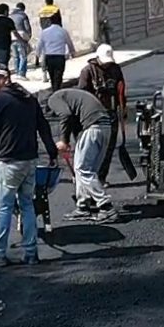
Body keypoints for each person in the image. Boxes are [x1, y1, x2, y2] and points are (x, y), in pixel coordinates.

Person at [0, 66, 58, 267]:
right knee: (27, 205)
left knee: (4, 207)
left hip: (10, 161)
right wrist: (52, 153)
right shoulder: (29, 98)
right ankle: (31, 253)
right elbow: (43, 125)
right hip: (30, 161)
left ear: (3, 79)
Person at [41, 85, 116, 223]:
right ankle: (83, 206)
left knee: (83, 169)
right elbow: (74, 121)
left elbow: (66, 115)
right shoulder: (71, 96)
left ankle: (106, 206)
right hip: (105, 127)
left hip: (93, 127)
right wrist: (71, 143)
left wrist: (63, 141)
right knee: (87, 169)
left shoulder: (53, 99)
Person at [76, 43, 128, 184]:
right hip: (93, 116)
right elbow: (81, 95)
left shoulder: (115, 69)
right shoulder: (87, 71)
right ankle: (90, 177)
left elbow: (121, 90)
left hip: (111, 113)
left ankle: (101, 177)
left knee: (108, 148)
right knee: (93, 149)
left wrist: (123, 108)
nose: (106, 66)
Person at [36, 15, 77, 89]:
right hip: (60, 57)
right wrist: (72, 52)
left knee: (52, 77)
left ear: (50, 21)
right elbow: (69, 43)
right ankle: (57, 90)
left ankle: (54, 89)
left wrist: (37, 56)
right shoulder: (63, 31)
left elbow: (39, 45)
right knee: (58, 76)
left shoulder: (44, 32)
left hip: (49, 57)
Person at [10, 1, 33, 78]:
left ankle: (16, 72)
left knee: (15, 56)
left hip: (11, 37)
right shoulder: (23, 15)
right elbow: (27, 27)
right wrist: (29, 36)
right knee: (23, 56)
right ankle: (21, 73)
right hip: (21, 37)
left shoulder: (11, 15)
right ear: (23, 8)